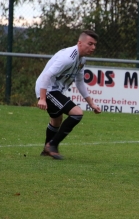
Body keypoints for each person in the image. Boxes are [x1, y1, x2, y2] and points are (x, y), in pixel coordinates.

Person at [35, 30, 102, 160]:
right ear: (80, 43)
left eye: (94, 44)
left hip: (55, 90)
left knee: (56, 120)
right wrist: (42, 98)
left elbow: (80, 82)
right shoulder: (68, 58)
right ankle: (52, 145)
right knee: (77, 113)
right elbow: (47, 75)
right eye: (90, 44)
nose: (93, 47)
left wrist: (92, 104)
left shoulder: (81, 59)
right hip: (47, 89)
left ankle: (46, 150)